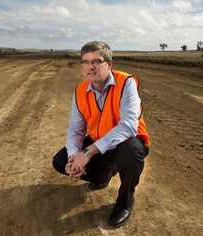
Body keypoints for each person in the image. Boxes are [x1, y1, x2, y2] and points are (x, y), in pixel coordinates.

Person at [52, 41, 150, 228]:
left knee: (132, 152)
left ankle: (125, 202)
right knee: (60, 161)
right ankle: (102, 176)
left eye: (97, 61)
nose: (91, 67)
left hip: (126, 142)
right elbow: (75, 129)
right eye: (86, 62)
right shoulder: (80, 90)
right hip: (99, 142)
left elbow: (129, 126)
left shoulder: (126, 83)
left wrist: (88, 153)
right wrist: (75, 157)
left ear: (109, 64)